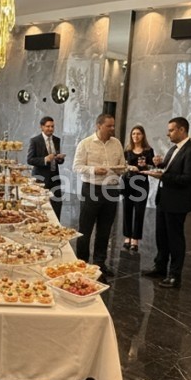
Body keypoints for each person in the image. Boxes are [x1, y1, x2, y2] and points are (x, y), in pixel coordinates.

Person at [143, 117, 191, 289]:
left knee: (175, 238)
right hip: (165, 199)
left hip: (177, 202)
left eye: (171, 130)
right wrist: (158, 164)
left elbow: (188, 179)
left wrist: (162, 176)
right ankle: (160, 267)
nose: (168, 133)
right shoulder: (174, 149)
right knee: (161, 235)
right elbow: (168, 168)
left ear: (182, 130)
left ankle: (175, 275)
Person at [72, 113, 126, 278]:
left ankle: (99, 264)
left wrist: (120, 169)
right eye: (109, 126)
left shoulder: (116, 143)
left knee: (105, 230)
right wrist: (93, 169)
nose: (112, 129)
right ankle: (81, 264)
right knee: (85, 229)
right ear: (98, 125)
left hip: (111, 190)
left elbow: (123, 166)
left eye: (113, 125)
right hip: (91, 189)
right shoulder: (86, 143)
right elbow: (76, 166)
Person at [26, 116, 66, 221]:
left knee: (57, 206)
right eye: (48, 126)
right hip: (40, 179)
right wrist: (45, 159)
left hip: (55, 179)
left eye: (52, 126)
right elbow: (30, 160)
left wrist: (60, 158)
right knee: (40, 208)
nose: (50, 129)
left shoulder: (57, 140)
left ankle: (56, 228)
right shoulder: (35, 141)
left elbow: (58, 161)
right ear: (42, 127)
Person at [121, 124, 153, 252]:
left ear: (143, 135)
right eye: (133, 133)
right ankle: (127, 237)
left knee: (139, 212)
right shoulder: (127, 151)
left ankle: (135, 239)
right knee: (127, 210)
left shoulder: (148, 151)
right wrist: (129, 167)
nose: (136, 136)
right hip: (127, 183)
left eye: (138, 133)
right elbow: (122, 166)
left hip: (141, 184)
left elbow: (152, 167)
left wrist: (145, 166)